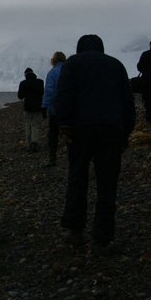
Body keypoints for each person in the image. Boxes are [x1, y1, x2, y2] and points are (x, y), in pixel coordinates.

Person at [54, 35, 135, 255]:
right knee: (107, 183)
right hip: (111, 130)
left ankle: (75, 230)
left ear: (80, 48)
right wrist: (125, 133)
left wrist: (63, 124)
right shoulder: (116, 65)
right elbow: (128, 101)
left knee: (78, 177)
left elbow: (63, 96)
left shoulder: (72, 63)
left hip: (81, 130)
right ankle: (101, 239)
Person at [42, 52, 67, 166]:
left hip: (55, 110)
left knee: (53, 135)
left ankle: (52, 159)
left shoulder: (52, 73)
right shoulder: (70, 71)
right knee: (70, 133)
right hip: (69, 110)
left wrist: (44, 107)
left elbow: (49, 91)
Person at [17, 67, 45, 153]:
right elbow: (42, 93)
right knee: (35, 125)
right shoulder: (40, 82)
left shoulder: (23, 83)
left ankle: (29, 144)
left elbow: (20, 96)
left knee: (28, 126)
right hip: (38, 107)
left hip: (28, 107)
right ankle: (34, 142)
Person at [136, 39, 151, 122]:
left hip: (146, 80)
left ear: (150, 45)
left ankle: (149, 116)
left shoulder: (145, 54)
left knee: (148, 100)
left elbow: (139, 67)